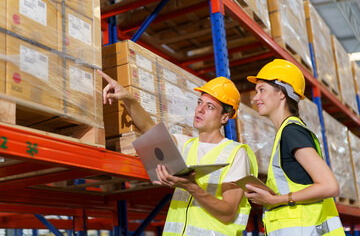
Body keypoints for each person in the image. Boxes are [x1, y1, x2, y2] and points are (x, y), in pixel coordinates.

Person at [99, 69, 258, 235]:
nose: (200, 109)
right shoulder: (185, 145)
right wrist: (128, 98)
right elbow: (149, 128)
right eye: (199, 102)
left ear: (225, 117)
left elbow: (228, 212)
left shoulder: (236, 153)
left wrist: (191, 187)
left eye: (209, 106)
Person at [245, 59, 345, 236]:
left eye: (262, 90)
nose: (255, 98)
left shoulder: (291, 132)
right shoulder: (286, 132)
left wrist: (276, 200)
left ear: (281, 93)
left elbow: (330, 186)